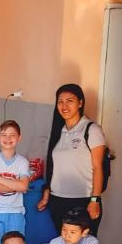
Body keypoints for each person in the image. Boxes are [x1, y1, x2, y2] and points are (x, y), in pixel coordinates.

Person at [38, 83, 107, 235]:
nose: (64, 106)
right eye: (60, 101)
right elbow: (54, 167)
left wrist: (94, 200)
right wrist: (47, 191)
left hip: (83, 200)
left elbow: (97, 167)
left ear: (80, 103)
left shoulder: (91, 129)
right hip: (58, 200)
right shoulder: (59, 131)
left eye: (70, 101)